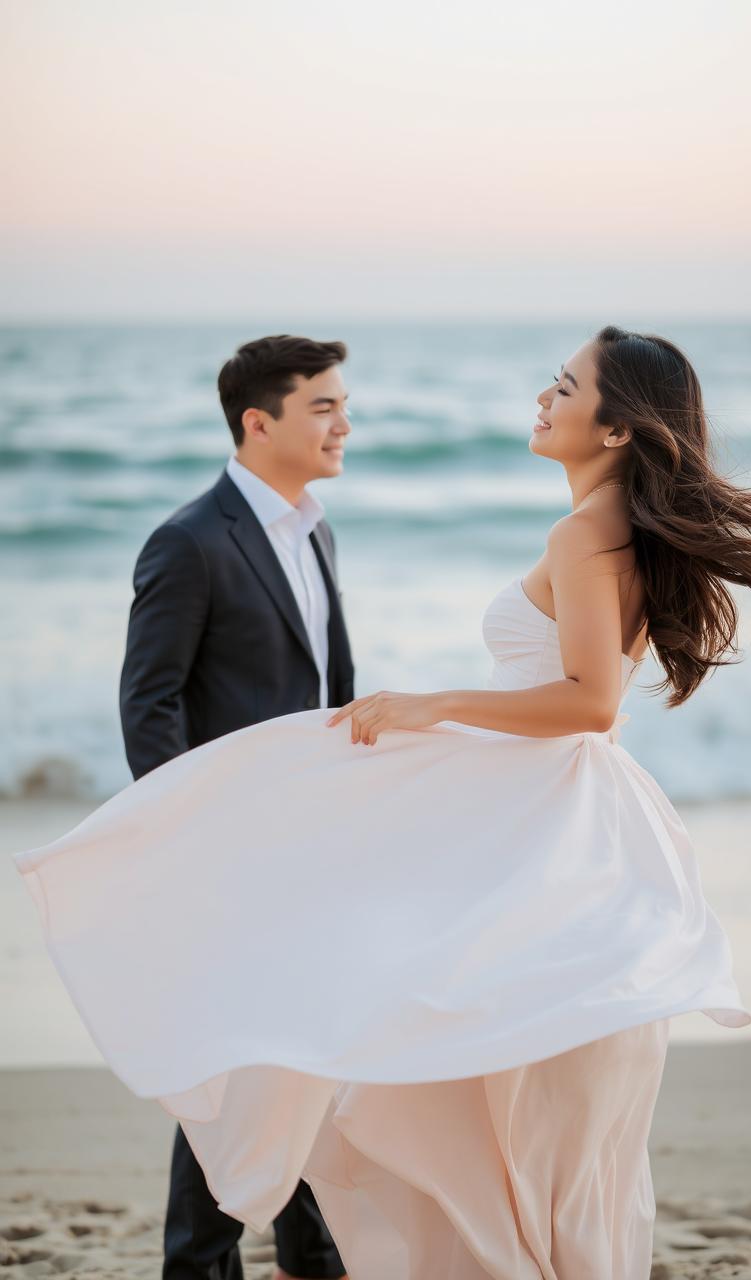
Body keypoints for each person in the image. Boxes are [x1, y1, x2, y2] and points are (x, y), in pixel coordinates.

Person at [15, 325, 751, 1279]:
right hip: (552, 826)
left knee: (420, 1075)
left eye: (566, 386)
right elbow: (155, 698)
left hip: (541, 823)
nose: (544, 396)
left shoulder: (583, 532)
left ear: (615, 430)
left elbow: (592, 704)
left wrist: (433, 705)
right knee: (455, 1084)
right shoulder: (609, 528)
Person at [118, 334, 354, 1280]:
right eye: (324, 407)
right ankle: (203, 1263)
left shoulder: (317, 529)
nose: (346, 422)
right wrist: (188, 842)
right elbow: (150, 701)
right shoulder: (189, 541)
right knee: (235, 1074)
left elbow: (329, 694)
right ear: (259, 423)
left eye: (343, 404)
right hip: (225, 855)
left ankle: (311, 1251)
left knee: (303, 1055)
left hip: (310, 850)